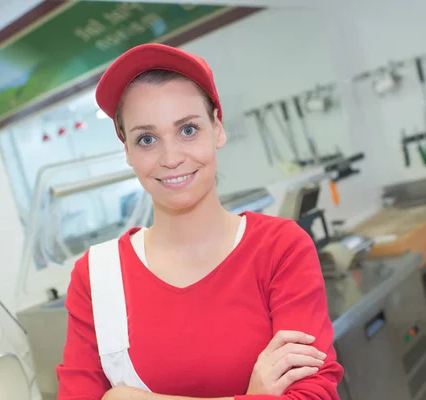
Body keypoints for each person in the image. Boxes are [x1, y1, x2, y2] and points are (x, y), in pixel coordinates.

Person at [56, 43, 343, 400]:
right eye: (147, 139)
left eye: (188, 130)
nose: (172, 157)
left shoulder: (280, 247)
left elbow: (314, 396)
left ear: (217, 128)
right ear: (127, 151)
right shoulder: (97, 277)